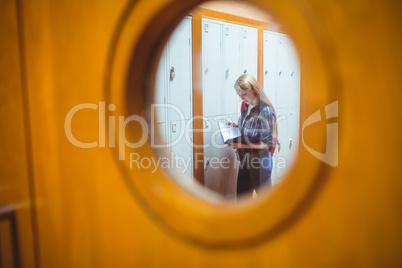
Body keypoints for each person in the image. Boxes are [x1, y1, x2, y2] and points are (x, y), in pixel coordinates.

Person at [227, 74, 278, 198]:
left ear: (254, 89)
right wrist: (235, 127)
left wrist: (240, 144)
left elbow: (266, 143)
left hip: (259, 163)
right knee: (242, 200)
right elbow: (249, 130)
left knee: (265, 203)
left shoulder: (265, 110)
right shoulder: (246, 106)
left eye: (244, 93)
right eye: (239, 95)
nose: (242, 98)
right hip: (245, 160)